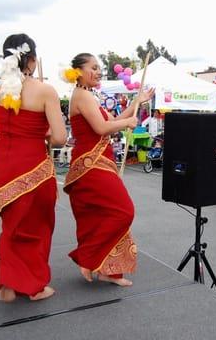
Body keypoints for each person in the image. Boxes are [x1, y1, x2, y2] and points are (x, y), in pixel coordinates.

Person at [0, 34, 67, 303]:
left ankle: (8, 285)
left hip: (1, 167)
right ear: (32, 60)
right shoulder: (45, 91)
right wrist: (43, 134)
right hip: (32, 167)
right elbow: (59, 138)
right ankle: (33, 286)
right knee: (36, 229)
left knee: (11, 228)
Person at [63, 53, 153, 286]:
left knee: (103, 214)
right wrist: (127, 123)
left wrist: (135, 104)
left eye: (99, 67)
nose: (98, 71)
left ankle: (107, 270)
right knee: (124, 211)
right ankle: (88, 257)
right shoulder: (82, 96)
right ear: (79, 71)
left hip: (98, 162)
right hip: (91, 165)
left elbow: (112, 121)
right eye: (93, 67)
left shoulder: (88, 96)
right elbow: (103, 127)